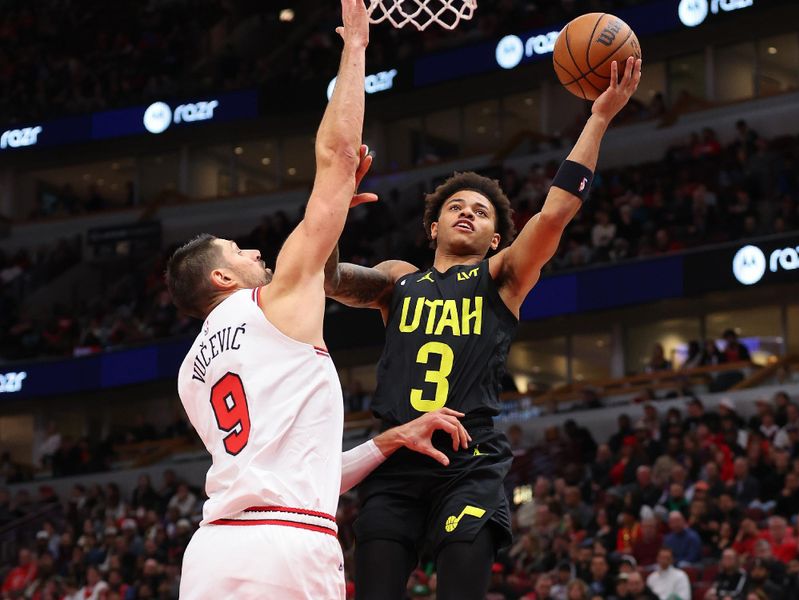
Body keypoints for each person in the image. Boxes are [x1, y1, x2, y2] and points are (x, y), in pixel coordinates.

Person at [166, 3, 470, 598]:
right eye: (239, 253)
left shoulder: (189, 375)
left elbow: (295, 471)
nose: (256, 254)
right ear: (223, 280)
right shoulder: (273, 300)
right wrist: (355, 45)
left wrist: (387, 441)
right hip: (289, 546)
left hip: (212, 554)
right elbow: (335, 160)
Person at [325, 56, 643, 599]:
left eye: (481, 211)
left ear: (497, 238)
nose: (467, 213)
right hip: (396, 461)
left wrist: (599, 118)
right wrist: (331, 205)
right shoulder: (398, 280)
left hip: (469, 462)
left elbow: (555, 212)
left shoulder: (503, 277)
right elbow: (327, 278)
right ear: (433, 226)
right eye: (455, 206)